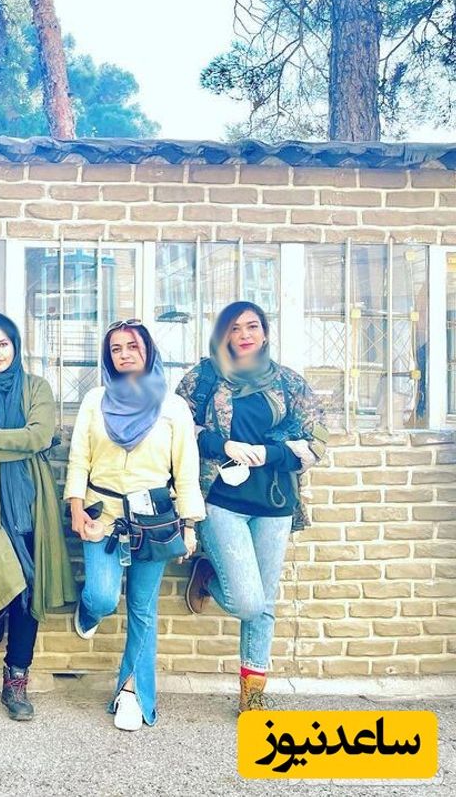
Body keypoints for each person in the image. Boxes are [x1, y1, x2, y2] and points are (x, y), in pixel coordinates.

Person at [177, 301, 327, 713]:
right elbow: (176, 429)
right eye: (234, 328)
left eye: (252, 326)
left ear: (264, 333)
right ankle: (208, 575)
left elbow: (318, 439)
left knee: (265, 605)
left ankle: (252, 698)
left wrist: (270, 453)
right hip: (219, 500)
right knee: (247, 601)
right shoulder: (202, 379)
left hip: (274, 504)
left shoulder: (289, 384)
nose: (244, 335)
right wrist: (222, 444)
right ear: (222, 335)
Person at [65, 320, 204, 731]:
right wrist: (75, 507)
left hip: (154, 521)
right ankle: (89, 611)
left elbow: (186, 471)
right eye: (116, 348)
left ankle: (132, 693)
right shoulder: (95, 400)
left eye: (132, 346)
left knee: (143, 609)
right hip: (102, 514)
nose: (124, 354)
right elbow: (79, 457)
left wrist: (189, 526)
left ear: (148, 351)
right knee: (103, 596)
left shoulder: (173, 407)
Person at [0, 312, 75, 721]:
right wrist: (19, 443)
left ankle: (16, 678)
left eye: (2, 344)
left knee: (30, 583)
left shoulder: (37, 387)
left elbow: (40, 435)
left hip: (31, 497)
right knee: (4, 566)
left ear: (15, 346)